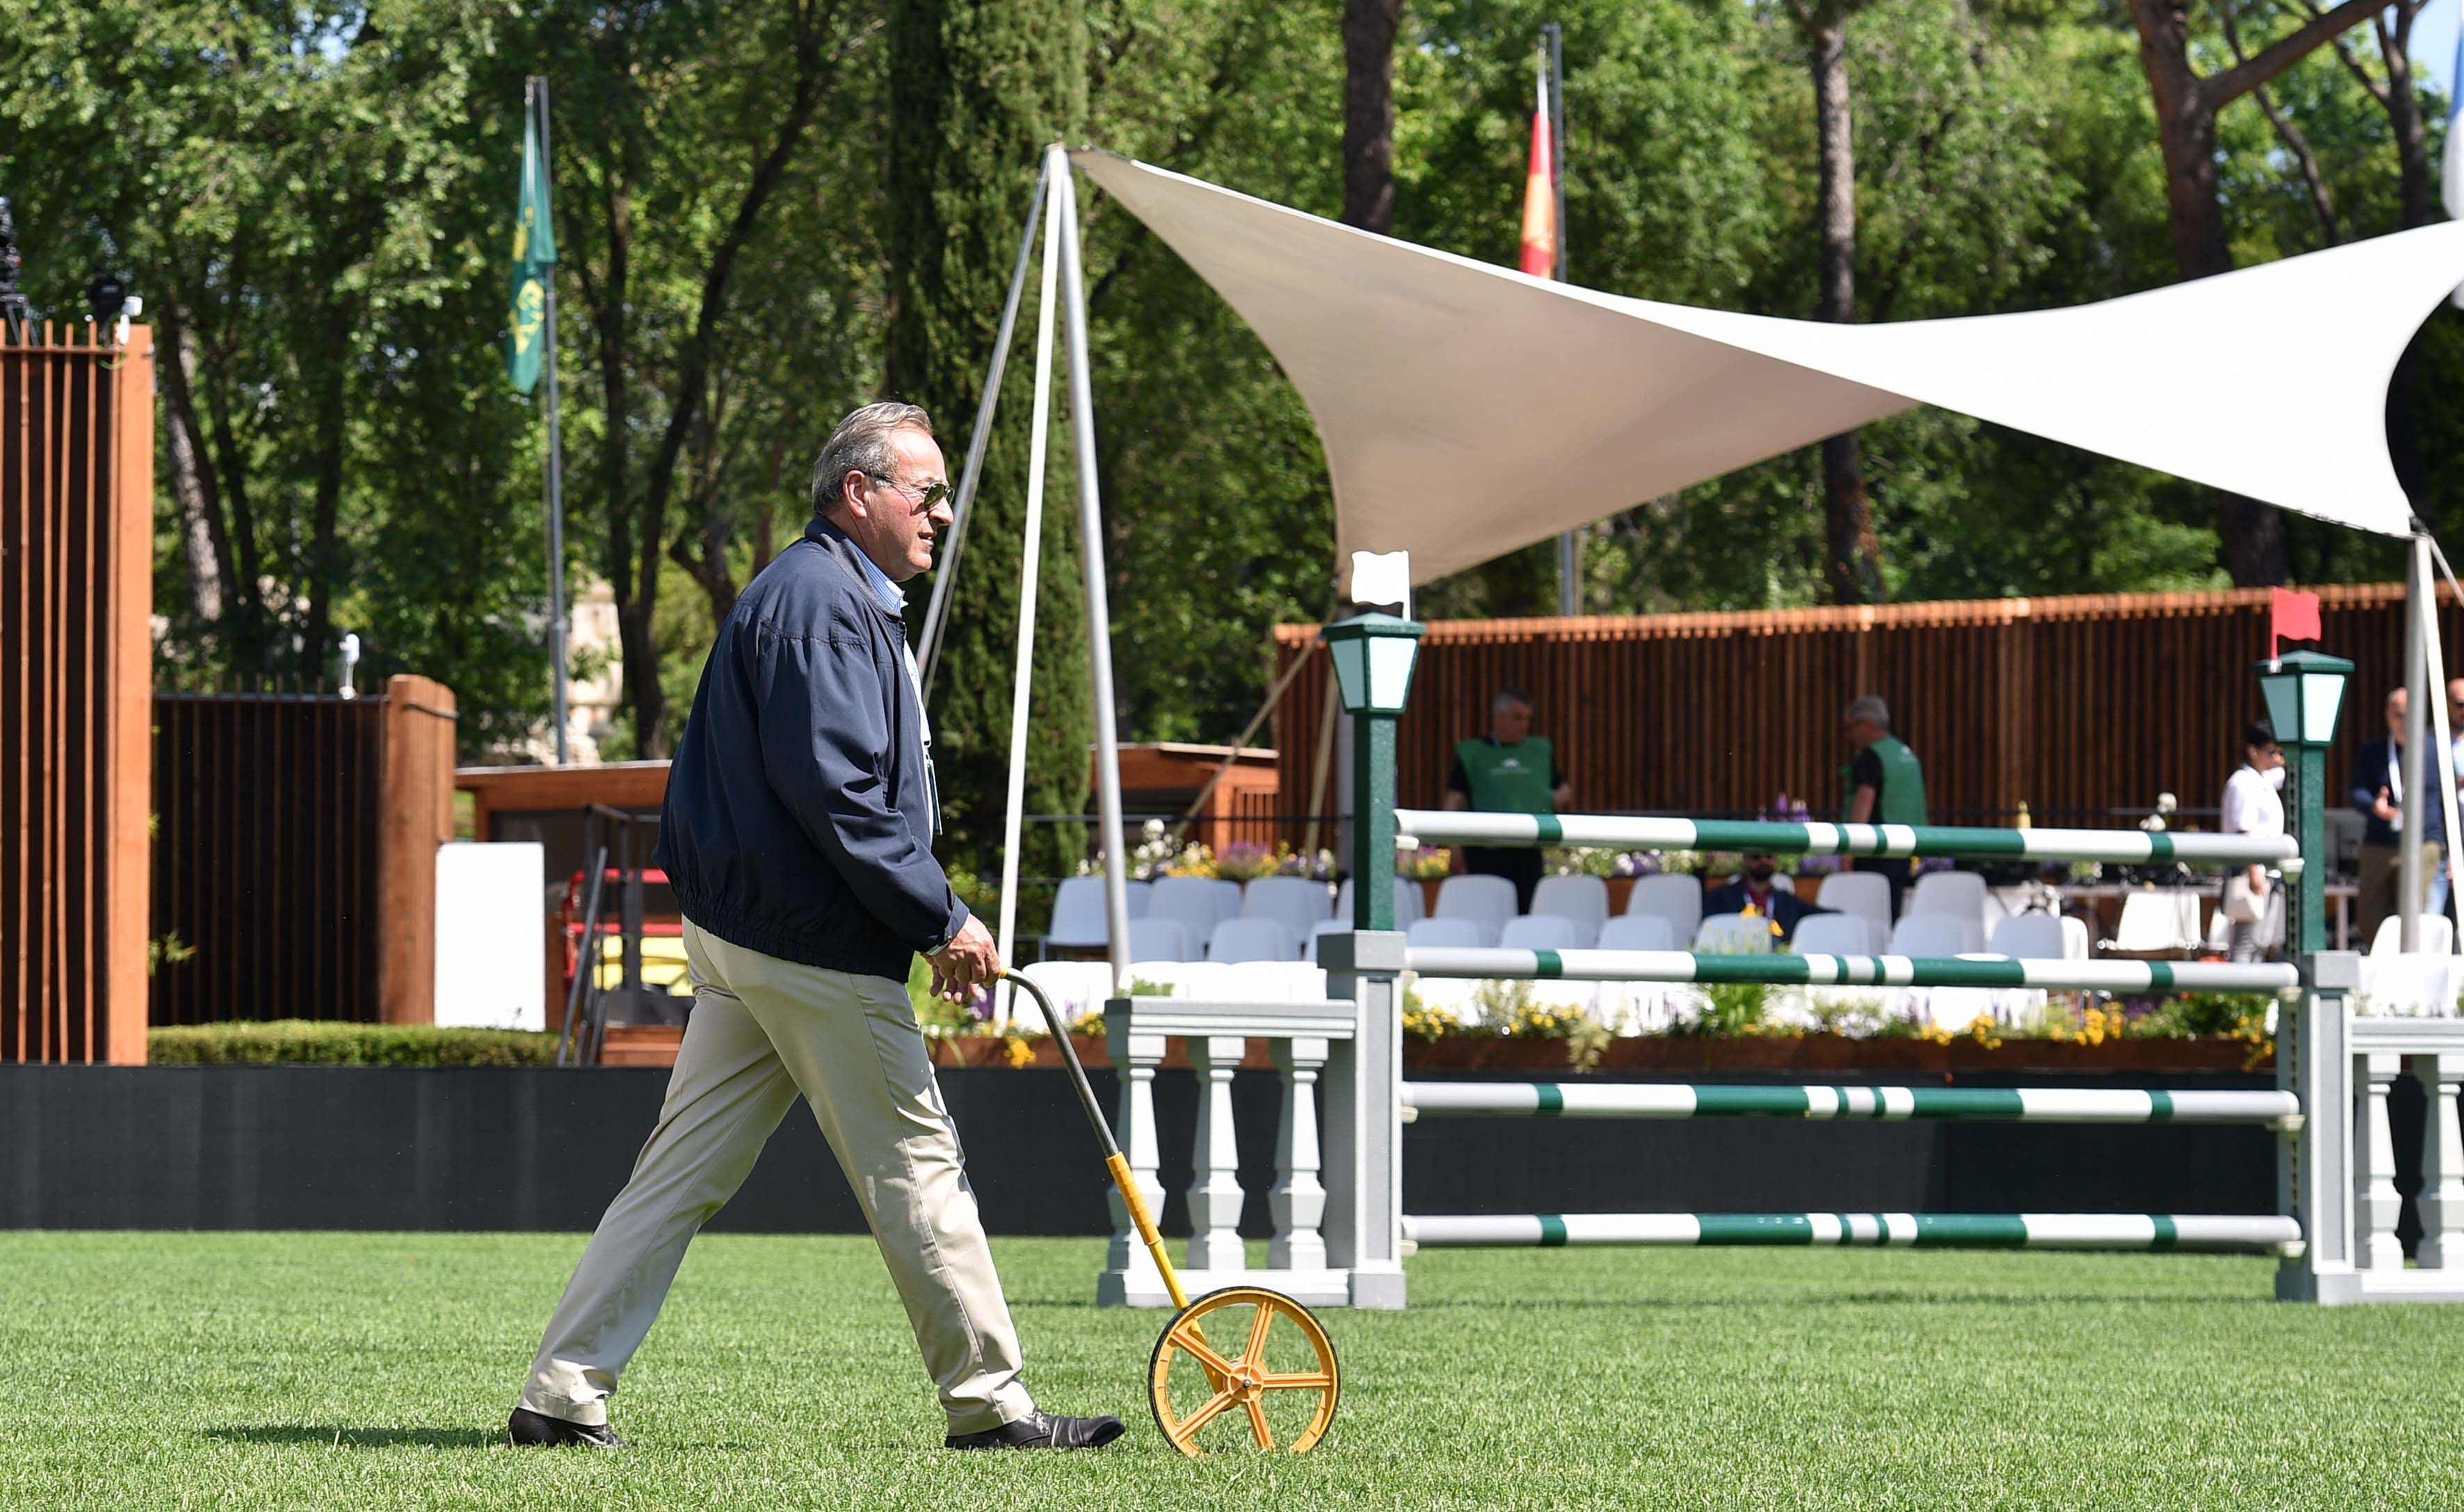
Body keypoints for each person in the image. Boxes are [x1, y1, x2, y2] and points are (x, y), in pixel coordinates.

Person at [506, 403, 1123, 1454]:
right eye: (921, 489)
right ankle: (990, 1404)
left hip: (756, 940)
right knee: (917, 1162)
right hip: (808, 943)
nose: (939, 509)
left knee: (676, 1173)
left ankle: (559, 1395)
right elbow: (839, 795)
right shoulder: (819, 602)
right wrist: (942, 916)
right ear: (855, 493)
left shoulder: (824, 596)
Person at [1444, 687, 1571, 912]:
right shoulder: (1474, 753)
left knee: (1528, 913)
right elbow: (1453, 800)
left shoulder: (1538, 752)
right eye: (1518, 717)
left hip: (1528, 849)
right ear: (1499, 717)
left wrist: (1545, 797)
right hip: (1484, 852)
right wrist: (1455, 848)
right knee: (1487, 911)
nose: (1525, 724)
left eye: (1528, 719)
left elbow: (1564, 791)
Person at [2351, 686, 2447, 946]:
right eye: (2398, 714)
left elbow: (2449, 802)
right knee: (2369, 919)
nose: (2403, 721)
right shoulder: (2373, 751)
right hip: (2380, 842)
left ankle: (2408, 968)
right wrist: (2374, 806)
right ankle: (2381, 962)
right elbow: (2356, 792)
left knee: (2414, 916)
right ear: (2387, 715)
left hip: (2423, 842)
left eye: (2409, 714)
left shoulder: (2436, 750)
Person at [1837, 695, 1927, 919]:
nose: (1848, 736)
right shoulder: (1905, 753)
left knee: (1867, 915)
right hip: (1906, 846)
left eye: (1851, 728)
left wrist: (1850, 850)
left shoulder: (1872, 756)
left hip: (1874, 848)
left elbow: (1863, 802)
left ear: (1866, 724)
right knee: (1892, 913)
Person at [2219, 719, 2286, 964]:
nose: (2277, 758)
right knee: (2247, 942)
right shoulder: (2243, 783)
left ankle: (2254, 998)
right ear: (2252, 750)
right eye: (2271, 752)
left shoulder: (2262, 780)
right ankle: (2240, 996)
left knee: (2262, 942)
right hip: (2252, 871)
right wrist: (2254, 871)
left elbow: (2284, 772)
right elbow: (2243, 831)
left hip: (2267, 871)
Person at [1702, 853, 1832, 945]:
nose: (1763, 861)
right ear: (1746, 859)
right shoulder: (1721, 897)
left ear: (1776, 860)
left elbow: (1819, 916)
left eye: (1769, 856)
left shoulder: (1787, 900)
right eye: (1756, 857)